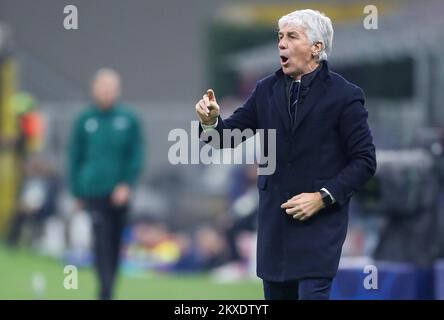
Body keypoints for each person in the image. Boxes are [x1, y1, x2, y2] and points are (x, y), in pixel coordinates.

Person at [195, 9, 376, 300]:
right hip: (274, 230)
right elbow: (224, 139)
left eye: (292, 36)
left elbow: (365, 161)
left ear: (317, 48)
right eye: (280, 36)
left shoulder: (345, 95)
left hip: (319, 228)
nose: (282, 43)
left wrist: (322, 197)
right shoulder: (265, 89)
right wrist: (209, 121)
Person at [68, 68, 144, 300]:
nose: (106, 92)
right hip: (94, 192)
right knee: (100, 241)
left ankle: (109, 288)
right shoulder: (85, 120)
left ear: (117, 90)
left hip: (120, 194)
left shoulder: (129, 119)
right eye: (102, 87)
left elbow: (136, 155)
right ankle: (105, 291)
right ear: (94, 89)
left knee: (115, 242)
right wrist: (77, 191)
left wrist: (126, 184)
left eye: (110, 88)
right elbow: (75, 157)